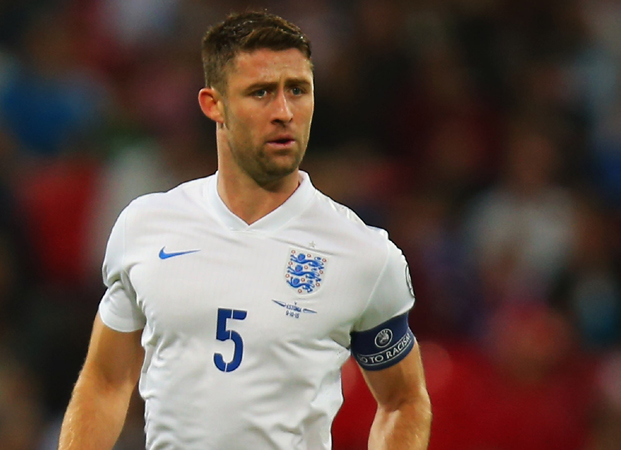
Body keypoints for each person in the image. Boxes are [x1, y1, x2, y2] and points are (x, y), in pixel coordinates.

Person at [58, 11, 432, 450]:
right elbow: (105, 380)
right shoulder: (146, 226)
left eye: (298, 90)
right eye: (261, 93)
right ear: (213, 104)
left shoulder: (364, 254)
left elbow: (404, 400)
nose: (284, 112)